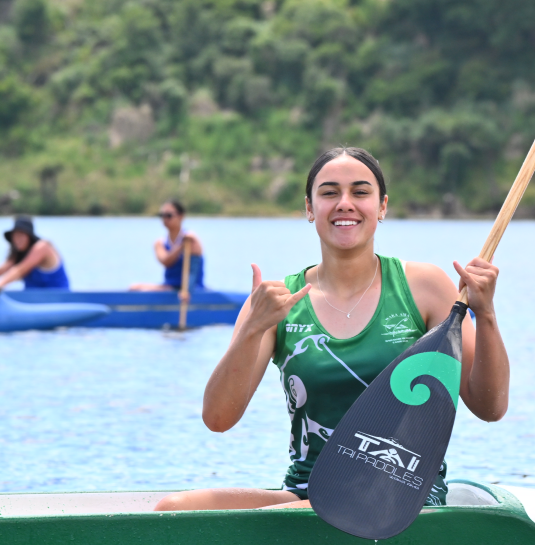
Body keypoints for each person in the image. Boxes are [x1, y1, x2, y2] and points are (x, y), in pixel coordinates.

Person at [155, 147, 509, 511]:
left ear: (382, 206)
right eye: (328, 193)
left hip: (402, 495)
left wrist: (487, 315)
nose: (344, 203)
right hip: (307, 493)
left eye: (360, 192)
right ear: (310, 208)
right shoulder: (277, 301)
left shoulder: (426, 288)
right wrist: (251, 329)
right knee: (173, 508)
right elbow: (217, 418)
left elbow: (489, 406)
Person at [129, 200, 205, 293]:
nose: (165, 219)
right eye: (162, 216)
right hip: (170, 287)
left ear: (181, 216)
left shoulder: (191, 239)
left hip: (190, 289)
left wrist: (186, 292)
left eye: (169, 215)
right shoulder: (160, 243)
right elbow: (166, 261)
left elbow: (193, 271)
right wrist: (180, 246)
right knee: (134, 287)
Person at [0, 215, 70, 290]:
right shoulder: (19, 254)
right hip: (31, 301)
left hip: (57, 300)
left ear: (29, 237)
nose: (18, 239)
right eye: (15, 236)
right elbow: (2, 269)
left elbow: (20, 270)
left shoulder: (42, 247)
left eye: (21, 235)